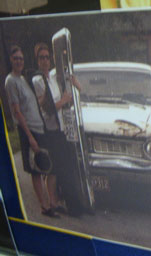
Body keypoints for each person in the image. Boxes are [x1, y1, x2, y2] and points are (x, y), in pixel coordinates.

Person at [5, 45, 59, 218]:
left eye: (21, 58)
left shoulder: (24, 79)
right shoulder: (11, 81)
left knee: (48, 166)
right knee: (36, 170)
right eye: (16, 59)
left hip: (40, 127)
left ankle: (52, 202)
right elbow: (17, 111)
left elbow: (36, 101)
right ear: (11, 61)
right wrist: (29, 137)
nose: (19, 61)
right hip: (29, 129)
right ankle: (44, 207)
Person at [31, 43, 83, 216]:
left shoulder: (52, 77)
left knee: (60, 167)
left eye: (47, 57)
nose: (45, 61)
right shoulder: (38, 80)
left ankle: (55, 202)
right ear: (37, 60)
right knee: (54, 167)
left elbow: (75, 88)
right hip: (49, 129)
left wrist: (74, 83)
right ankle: (54, 203)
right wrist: (63, 100)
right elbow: (47, 109)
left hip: (60, 128)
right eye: (41, 58)